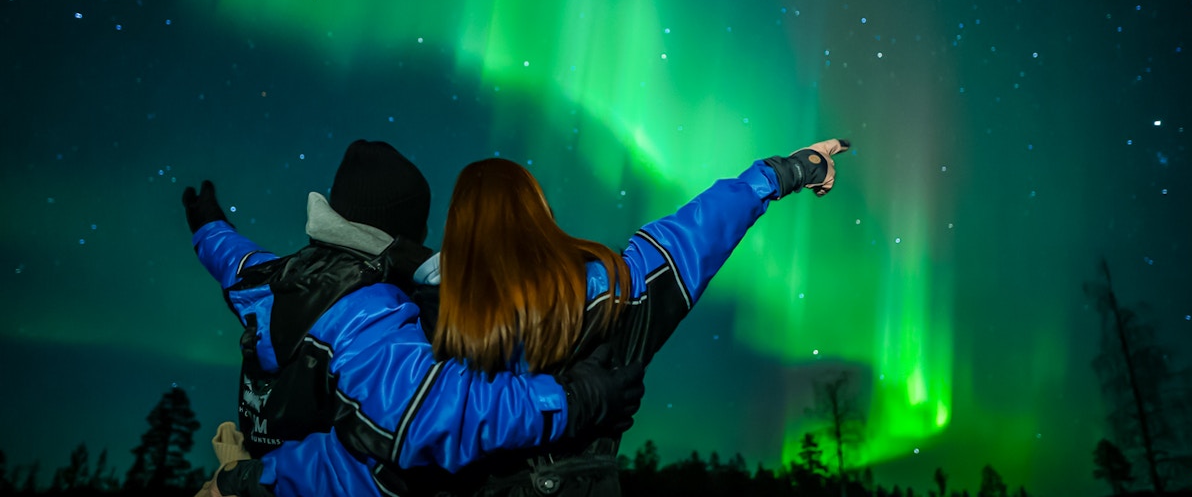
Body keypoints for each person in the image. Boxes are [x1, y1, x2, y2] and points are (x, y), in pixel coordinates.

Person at [211, 137, 851, 496]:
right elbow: (700, 227)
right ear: (539, 211)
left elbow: (369, 457)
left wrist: (258, 480)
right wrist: (786, 172)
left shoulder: (421, 324)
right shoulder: (615, 290)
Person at [184, 140, 646, 497]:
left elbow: (234, 260)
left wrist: (209, 227)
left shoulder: (271, 276)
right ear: (407, 231)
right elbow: (438, 415)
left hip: (250, 468)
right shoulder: (373, 312)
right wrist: (573, 400)